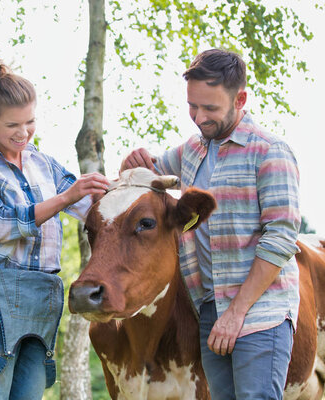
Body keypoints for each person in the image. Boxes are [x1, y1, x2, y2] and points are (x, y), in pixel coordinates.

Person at [120, 49, 300, 399]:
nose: (199, 117)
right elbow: (144, 177)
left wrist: (236, 314)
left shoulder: (271, 152)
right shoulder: (190, 152)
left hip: (260, 314)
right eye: (192, 106)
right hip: (210, 311)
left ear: (241, 98)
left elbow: (280, 239)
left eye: (211, 109)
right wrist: (131, 162)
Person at [0, 56, 109, 400]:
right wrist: (64, 197)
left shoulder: (43, 163)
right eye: (12, 125)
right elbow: (1, 224)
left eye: (30, 121)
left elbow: (92, 206)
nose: (24, 133)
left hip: (42, 296)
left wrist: (137, 185)